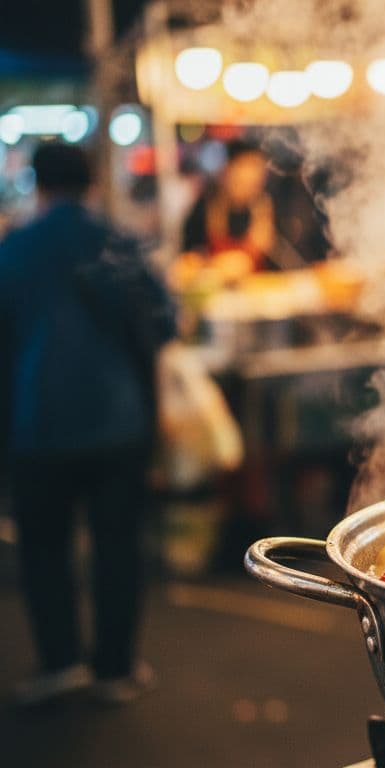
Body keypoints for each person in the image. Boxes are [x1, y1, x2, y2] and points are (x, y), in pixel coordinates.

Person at [0, 143, 176, 705]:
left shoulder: (16, 248)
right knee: (117, 545)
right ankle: (115, 668)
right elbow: (166, 321)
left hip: (38, 424)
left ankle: (60, 662)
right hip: (119, 422)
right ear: (92, 182)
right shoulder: (118, 243)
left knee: (45, 546)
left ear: (36, 183)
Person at [180, 139, 276, 275]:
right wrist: (212, 265)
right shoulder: (206, 206)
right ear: (226, 171)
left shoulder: (263, 208)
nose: (252, 177)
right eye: (244, 167)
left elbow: (276, 264)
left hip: (255, 290)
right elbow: (186, 259)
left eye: (257, 169)